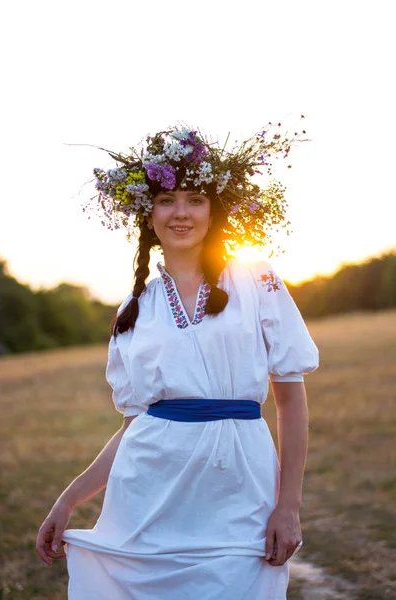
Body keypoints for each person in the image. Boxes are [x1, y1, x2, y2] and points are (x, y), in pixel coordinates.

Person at [36, 123, 319, 599]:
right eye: (167, 200)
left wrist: (288, 505)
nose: (180, 213)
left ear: (215, 211)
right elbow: (135, 427)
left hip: (240, 485)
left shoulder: (258, 281)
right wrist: (69, 499)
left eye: (194, 199)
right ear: (148, 213)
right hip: (150, 492)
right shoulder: (134, 310)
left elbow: (290, 401)